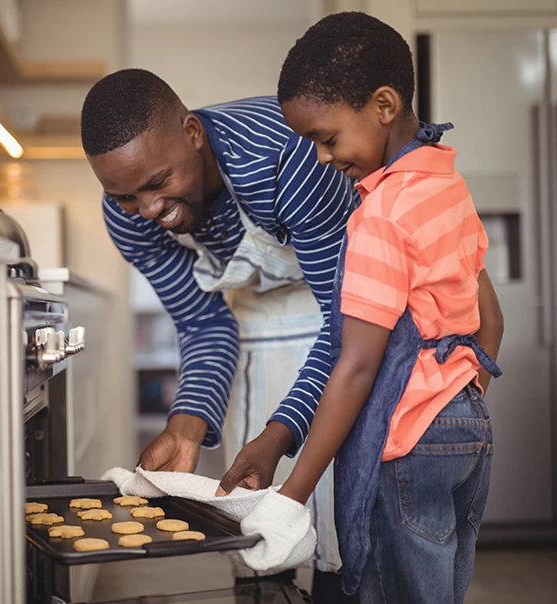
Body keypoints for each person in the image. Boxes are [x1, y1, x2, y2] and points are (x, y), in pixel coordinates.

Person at [234, 12, 505, 603]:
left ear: (384, 105)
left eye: (326, 138)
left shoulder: (379, 214)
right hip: (468, 430)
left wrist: (291, 495)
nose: (322, 157)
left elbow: (356, 366)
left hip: (407, 437)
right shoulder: (449, 184)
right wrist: (460, 397)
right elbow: (491, 318)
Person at [81, 69, 354, 591]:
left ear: (192, 133)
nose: (150, 212)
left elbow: (345, 324)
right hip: (256, 334)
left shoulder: (285, 157)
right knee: (256, 551)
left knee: (339, 542)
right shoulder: (129, 215)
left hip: (348, 328)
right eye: (126, 198)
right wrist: (187, 422)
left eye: (158, 183)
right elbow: (204, 323)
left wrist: (282, 432)